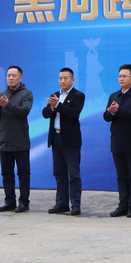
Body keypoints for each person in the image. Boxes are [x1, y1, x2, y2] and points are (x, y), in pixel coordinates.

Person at [103, 64, 131, 218]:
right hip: (117, 141)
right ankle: (123, 205)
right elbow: (106, 116)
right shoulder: (114, 96)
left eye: (124, 76)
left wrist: (118, 110)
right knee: (121, 176)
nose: (121, 79)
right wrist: (111, 112)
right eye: (119, 76)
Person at [42, 68, 85, 216]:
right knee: (59, 173)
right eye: (60, 78)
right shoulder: (55, 95)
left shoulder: (78, 95)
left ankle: (76, 204)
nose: (62, 81)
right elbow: (45, 114)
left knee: (74, 174)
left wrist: (58, 105)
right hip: (56, 138)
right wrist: (52, 106)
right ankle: (61, 204)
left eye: (66, 78)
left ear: (72, 80)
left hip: (71, 140)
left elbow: (74, 113)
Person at [0, 65, 34, 213]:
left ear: (20, 78)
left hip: (20, 141)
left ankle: (24, 203)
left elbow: (24, 111)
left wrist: (8, 105)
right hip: (5, 140)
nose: (11, 78)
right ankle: (9, 202)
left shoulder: (27, 94)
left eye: (14, 75)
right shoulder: (2, 94)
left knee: (23, 174)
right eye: (8, 75)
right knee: (6, 174)